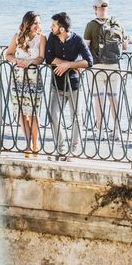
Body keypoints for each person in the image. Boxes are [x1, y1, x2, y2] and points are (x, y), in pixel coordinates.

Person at [45, 12, 93, 159]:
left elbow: (89, 62)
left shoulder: (77, 39)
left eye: (53, 25)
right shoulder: (52, 37)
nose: (50, 27)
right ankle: (61, 147)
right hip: (56, 85)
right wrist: (66, 65)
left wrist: (69, 65)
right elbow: (48, 59)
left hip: (74, 85)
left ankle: (75, 149)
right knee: (53, 115)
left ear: (62, 29)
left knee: (76, 117)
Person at [83, 0, 127, 140]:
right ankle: (117, 131)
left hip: (96, 66)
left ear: (94, 8)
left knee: (99, 99)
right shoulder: (117, 23)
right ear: (107, 7)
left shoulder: (91, 25)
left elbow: (85, 47)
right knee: (114, 98)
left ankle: (100, 131)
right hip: (114, 65)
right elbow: (124, 47)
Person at [5, 11, 46, 157]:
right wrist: (17, 61)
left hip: (34, 79)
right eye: (35, 23)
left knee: (33, 113)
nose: (38, 26)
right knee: (22, 112)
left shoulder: (42, 38)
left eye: (39, 23)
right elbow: (8, 54)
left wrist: (29, 63)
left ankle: (35, 144)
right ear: (27, 23)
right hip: (17, 79)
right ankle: (28, 143)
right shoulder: (17, 37)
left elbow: (41, 58)